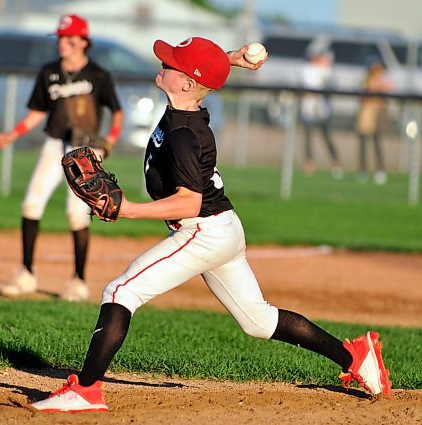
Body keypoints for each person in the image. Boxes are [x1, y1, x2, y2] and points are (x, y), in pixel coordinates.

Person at [30, 37, 392, 412]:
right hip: (224, 227)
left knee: (121, 292)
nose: (163, 63)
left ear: (186, 83)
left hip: (202, 231)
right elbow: (203, 77)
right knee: (259, 321)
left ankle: (86, 390)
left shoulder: (184, 135)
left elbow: (190, 202)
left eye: (172, 63)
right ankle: (356, 358)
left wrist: (127, 209)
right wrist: (231, 60)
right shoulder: (184, 106)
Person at [0, 14, 124, 301]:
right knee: (31, 203)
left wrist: (112, 139)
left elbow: (117, 112)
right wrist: (12, 134)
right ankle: (26, 274)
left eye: (68, 38)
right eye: (60, 38)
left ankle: (78, 282)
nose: (62, 43)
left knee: (75, 211)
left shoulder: (98, 75)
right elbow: (37, 113)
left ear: (83, 41)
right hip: (55, 143)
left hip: (85, 150)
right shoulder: (49, 72)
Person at [300, 48, 343, 179]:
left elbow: (329, 83)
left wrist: (326, 65)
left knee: (326, 136)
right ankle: (309, 163)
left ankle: (336, 162)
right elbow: (309, 86)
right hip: (308, 108)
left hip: (322, 108)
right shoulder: (307, 69)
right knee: (308, 137)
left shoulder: (326, 70)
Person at [355, 62, 394, 185]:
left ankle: (380, 170)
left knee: (377, 143)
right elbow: (363, 95)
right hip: (366, 116)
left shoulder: (382, 82)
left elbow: (389, 89)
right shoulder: (365, 82)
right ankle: (363, 170)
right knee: (363, 144)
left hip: (377, 115)